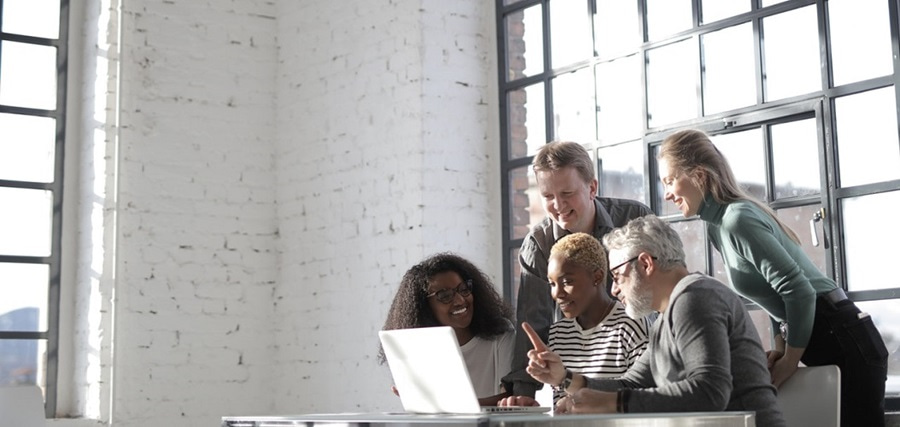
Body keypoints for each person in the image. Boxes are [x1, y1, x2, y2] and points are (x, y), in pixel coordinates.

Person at [657, 129, 888, 426]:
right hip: (829, 335)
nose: (666, 194)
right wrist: (780, 347)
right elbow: (772, 292)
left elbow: (799, 291)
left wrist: (790, 361)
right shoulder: (718, 227)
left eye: (669, 180)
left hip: (843, 335)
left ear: (699, 175)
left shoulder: (736, 220)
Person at [514, 215, 787, 426]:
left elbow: (709, 392)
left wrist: (613, 403)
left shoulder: (695, 299)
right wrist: (565, 378)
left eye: (617, 275)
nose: (614, 289)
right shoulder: (667, 317)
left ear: (645, 264)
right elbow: (631, 384)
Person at [503, 141, 652, 398]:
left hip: (639, 359)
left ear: (592, 187)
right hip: (576, 367)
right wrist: (523, 393)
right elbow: (533, 322)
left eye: (567, 193)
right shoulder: (538, 244)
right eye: (548, 196)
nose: (558, 205)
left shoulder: (634, 219)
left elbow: (662, 288)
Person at [500, 232, 649, 407]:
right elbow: (562, 405)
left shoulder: (631, 324)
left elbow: (643, 395)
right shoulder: (558, 333)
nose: (557, 294)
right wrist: (534, 410)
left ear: (597, 277)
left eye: (566, 282)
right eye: (552, 284)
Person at [378, 252, 515, 406]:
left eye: (463, 289)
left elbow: (510, 397)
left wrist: (448, 405)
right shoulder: (417, 347)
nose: (460, 300)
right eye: (445, 296)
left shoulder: (500, 333)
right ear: (424, 307)